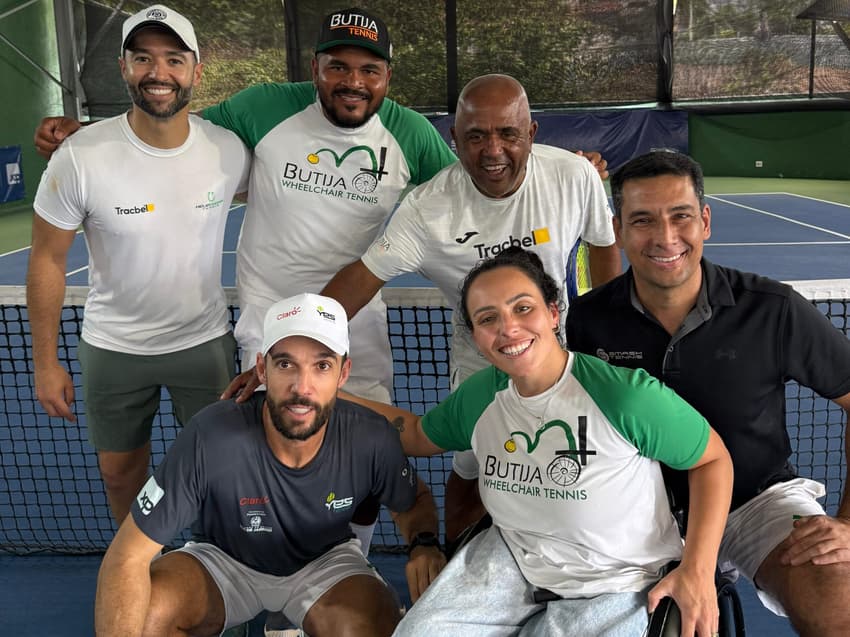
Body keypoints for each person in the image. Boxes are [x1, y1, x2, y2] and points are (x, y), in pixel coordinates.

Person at [345, 247, 733, 637]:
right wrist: (325, 394)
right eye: (487, 318)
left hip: (619, 579)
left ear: (552, 312)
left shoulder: (624, 396)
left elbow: (712, 460)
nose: (508, 328)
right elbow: (414, 435)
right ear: (476, 337)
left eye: (523, 308)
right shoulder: (482, 396)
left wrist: (697, 570)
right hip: (513, 560)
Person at [322, 73, 622, 546]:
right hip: (479, 365)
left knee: (574, 461)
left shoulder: (574, 176)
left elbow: (604, 244)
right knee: (474, 466)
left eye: (508, 133)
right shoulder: (427, 210)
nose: (493, 150)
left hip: (563, 358)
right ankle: (458, 554)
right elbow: (359, 281)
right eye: (476, 136)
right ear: (454, 139)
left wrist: (613, 330)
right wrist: (296, 346)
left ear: (532, 133)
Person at [565, 150, 850, 636]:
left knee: (836, 597)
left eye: (681, 216)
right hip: (633, 509)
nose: (665, 237)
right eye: (642, 220)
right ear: (619, 229)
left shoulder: (774, 309)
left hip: (755, 499)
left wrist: (848, 522)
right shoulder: (589, 319)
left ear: (706, 221)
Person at [94, 293, 445, 637]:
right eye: (285, 364)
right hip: (224, 561)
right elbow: (126, 557)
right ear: (262, 368)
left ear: (343, 373)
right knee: (149, 613)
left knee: (367, 627)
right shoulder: (211, 435)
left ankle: (296, 617)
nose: (301, 387)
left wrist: (424, 542)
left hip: (325, 565)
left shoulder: (371, 436)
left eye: (321, 366)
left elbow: (413, 502)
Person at [26, 4, 250, 525]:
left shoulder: (228, 150)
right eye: (143, 58)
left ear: (196, 70)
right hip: (113, 349)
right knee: (120, 474)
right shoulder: (80, 155)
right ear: (124, 67)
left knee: (219, 469)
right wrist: (44, 363)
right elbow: (46, 259)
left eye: (174, 59)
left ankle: (218, 566)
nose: (159, 72)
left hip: (204, 345)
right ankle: (139, 570)